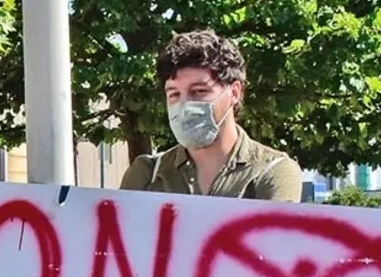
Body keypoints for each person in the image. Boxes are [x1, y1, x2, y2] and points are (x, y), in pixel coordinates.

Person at [120, 29, 303, 200]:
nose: (184, 105)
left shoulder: (272, 170)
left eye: (199, 91)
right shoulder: (146, 173)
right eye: (174, 94)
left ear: (234, 92)